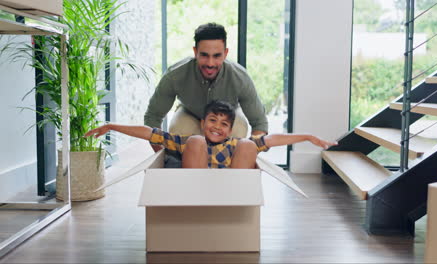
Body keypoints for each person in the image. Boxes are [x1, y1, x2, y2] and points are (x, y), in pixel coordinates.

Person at [86, 101, 337, 169]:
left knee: (250, 146)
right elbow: (151, 133)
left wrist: (306, 137)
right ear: (203, 122)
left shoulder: (235, 144)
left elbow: (271, 140)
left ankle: (237, 199)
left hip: (230, 190)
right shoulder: (188, 141)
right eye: (213, 121)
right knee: (193, 141)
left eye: (224, 124)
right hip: (196, 187)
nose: (217, 127)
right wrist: (111, 126)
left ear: (229, 129)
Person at [144, 22, 268, 142]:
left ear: (225, 54)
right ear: (195, 52)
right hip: (190, 114)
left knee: (239, 129)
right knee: (178, 129)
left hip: (228, 116)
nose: (210, 63)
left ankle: (227, 163)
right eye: (204, 55)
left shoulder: (240, 78)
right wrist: (161, 155)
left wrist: (247, 155)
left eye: (216, 56)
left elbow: (259, 124)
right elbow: (153, 117)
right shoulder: (175, 75)